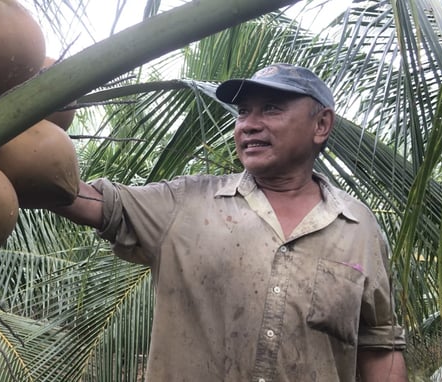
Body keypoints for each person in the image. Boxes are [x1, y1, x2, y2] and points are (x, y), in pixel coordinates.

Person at [51, 63, 408, 381]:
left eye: (271, 109)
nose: (250, 125)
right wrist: (26, 144)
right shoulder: (185, 203)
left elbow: (379, 344)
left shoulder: (358, 226)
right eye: (242, 112)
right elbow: (86, 201)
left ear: (321, 124)